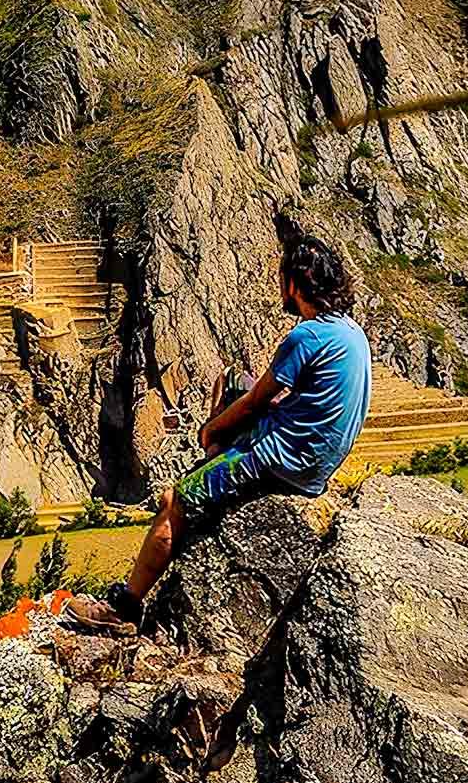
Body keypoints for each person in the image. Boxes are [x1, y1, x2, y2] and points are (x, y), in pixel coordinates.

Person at [73, 217, 371, 632]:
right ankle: (215, 459)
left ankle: (124, 608)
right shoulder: (351, 333)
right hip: (317, 461)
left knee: (173, 501)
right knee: (231, 379)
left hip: (282, 460)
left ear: (294, 283)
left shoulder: (308, 336)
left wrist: (211, 432)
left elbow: (255, 403)